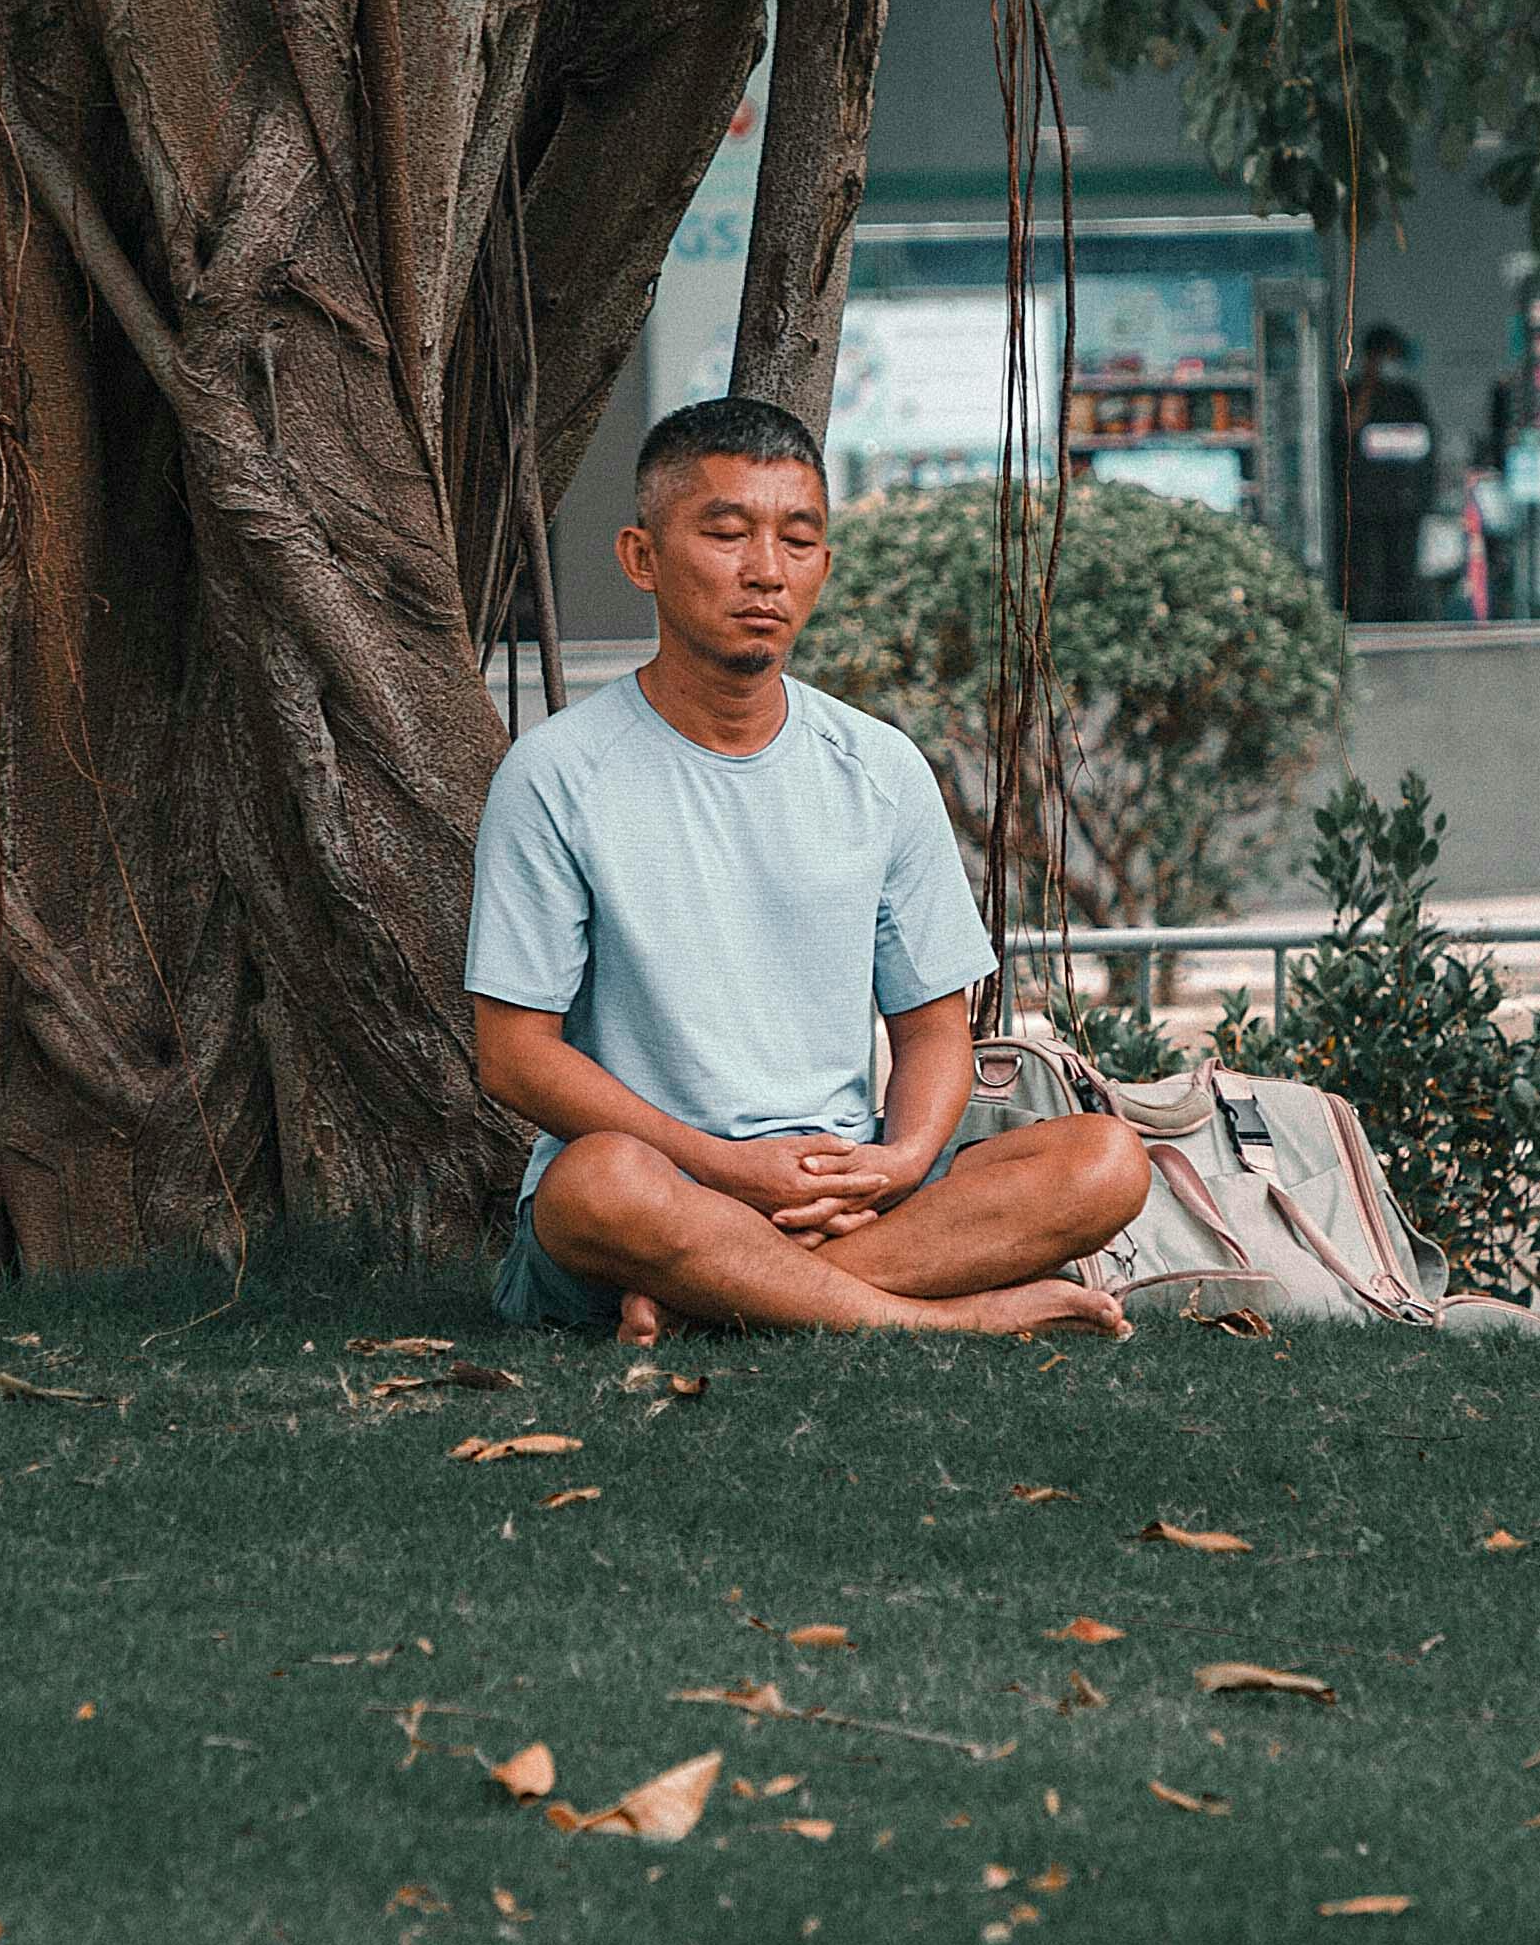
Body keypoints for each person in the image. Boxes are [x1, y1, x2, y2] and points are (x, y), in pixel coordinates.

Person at [467, 394, 1145, 1343]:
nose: (764, 573)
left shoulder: (878, 767)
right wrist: (723, 1166)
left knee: (1107, 1159)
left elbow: (934, 1029)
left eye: (797, 540)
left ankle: (722, 1301)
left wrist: (901, 1161)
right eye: (727, 532)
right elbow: (513, 1053)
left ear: (825, 565)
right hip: (658, 1192)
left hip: (840, 1192)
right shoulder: (557, 774)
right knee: (597, 1184)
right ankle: (940, 1321)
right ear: (642, 559)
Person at [1337, 320, 1442, 620]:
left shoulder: (1407, 394)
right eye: (1388, 357)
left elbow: (1425, 440)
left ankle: (1403, 623)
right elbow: (1350, 429)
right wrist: (1369, 383)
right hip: (1367, 503)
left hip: (1405, 500)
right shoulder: (1353, 392)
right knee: (1369, 572)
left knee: (1403, 571)